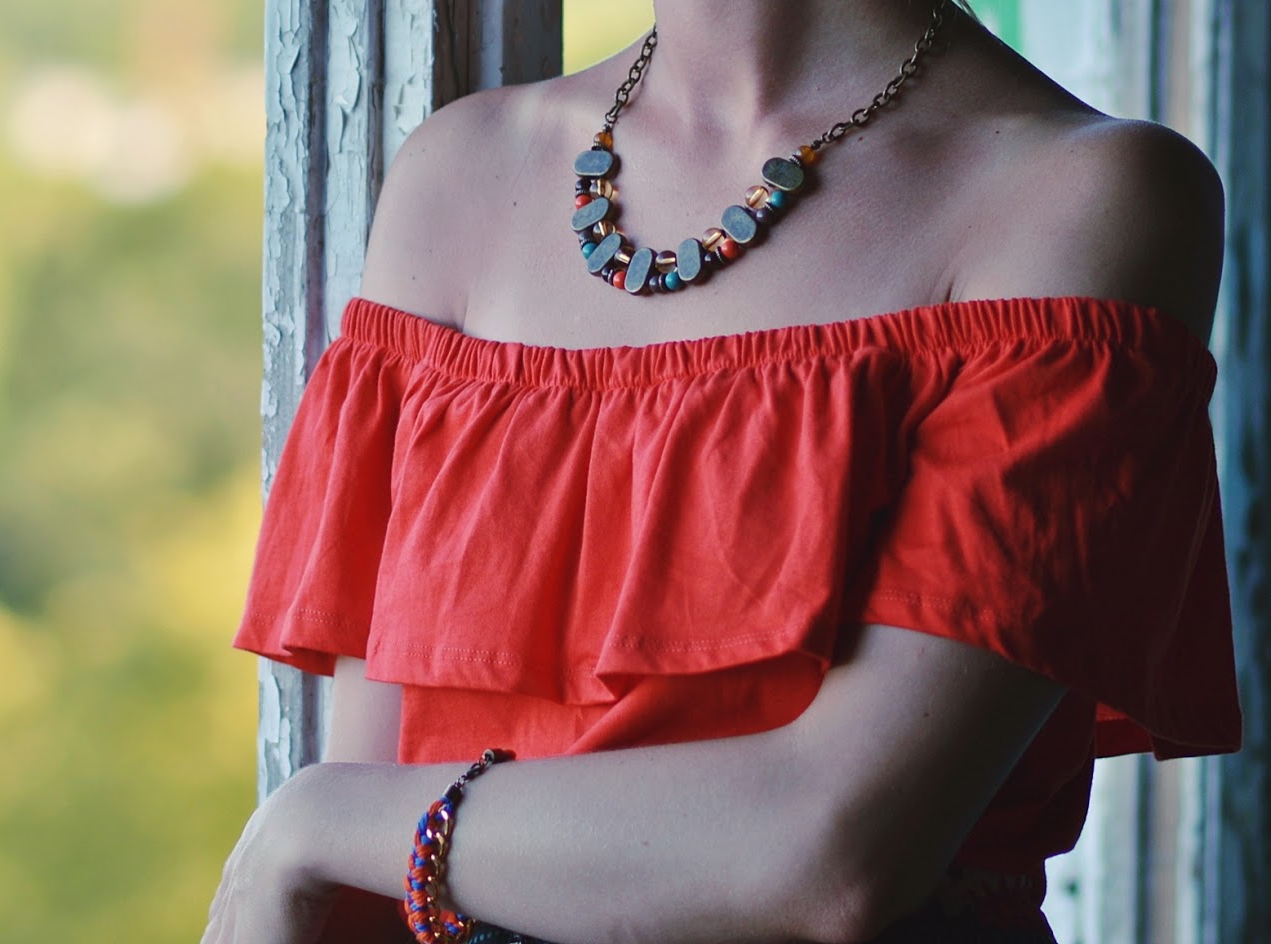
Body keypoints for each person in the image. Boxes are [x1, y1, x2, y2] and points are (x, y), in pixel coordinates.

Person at [207, 0, 1241, 941]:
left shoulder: (1083, 195)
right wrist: (329, 831)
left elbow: (833, 853)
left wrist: (311, 822)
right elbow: (361, 890)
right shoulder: (459, 174)